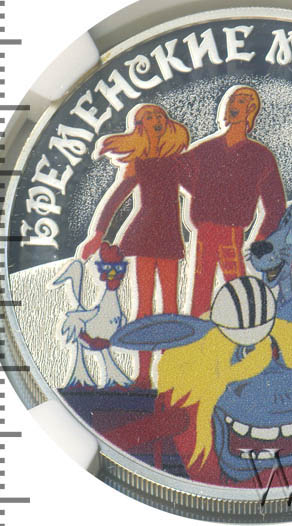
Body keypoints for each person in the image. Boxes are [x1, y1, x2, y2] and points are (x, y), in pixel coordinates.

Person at [80, 103, 190, 389]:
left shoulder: (176, 162)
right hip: (145, 234)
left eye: (159, 116)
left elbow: (198, 190)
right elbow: (115, 198)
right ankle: (143, 376)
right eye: (149, 117)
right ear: (140, 126)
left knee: (171, 308)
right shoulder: (137, 164)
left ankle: (170, 374)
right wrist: (97, 234)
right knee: (144, 306)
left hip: (169, 235)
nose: (156, 120)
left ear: (167, 124)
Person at [184, 86, 286, 317]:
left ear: (251, 110)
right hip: (205, 229)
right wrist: (204, 194)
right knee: (201, 287)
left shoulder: (260, 156)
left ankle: (247, 326)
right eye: (232, 100)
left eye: (241, 101)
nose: (234, 105)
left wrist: (261, 238)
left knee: (237, 285)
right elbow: (176, 171)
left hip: (232, 231)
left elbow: (276, 205)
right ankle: (198, 331)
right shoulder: (206, 149)